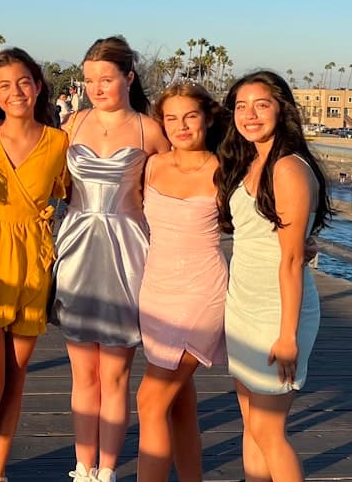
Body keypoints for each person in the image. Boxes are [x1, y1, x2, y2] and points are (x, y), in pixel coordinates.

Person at [49, 35, 169, 482]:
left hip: (127, 250)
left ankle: (108, 470)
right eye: (89, 80)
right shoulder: (72, 124)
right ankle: (82, 467)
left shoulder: (148, 129)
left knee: (115, 375)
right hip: (77, 246)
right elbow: (50, 179)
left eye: (106, 78)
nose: (96, 87)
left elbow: (182, 180)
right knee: (83, 374)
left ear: (128, 77)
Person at [216, 71, 331, 482]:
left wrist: (287, 336)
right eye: (242, 106)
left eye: (261, 105)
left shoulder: (288, 168)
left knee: (269, 431)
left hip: (277, 312)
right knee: (251, 423)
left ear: (282, 110)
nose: (250, 115)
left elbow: (290, 260)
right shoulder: (248, 158)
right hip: (243, 303)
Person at [0, 48, 68, 482]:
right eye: (4, 85)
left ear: (38, 86)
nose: (15, 92)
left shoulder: (60, 141)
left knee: (17, 380)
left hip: (34, 264)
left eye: (23, 82)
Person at [136, 82, 227, 482]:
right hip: (156, 293)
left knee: (149, 401)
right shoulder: (153, 164)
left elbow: (268, 216)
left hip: (202, 293)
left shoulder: (226, 170)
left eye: (190, 116)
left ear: (207, 116)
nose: (181, 126)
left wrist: (303, 242)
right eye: (171, 118)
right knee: (179, 403)